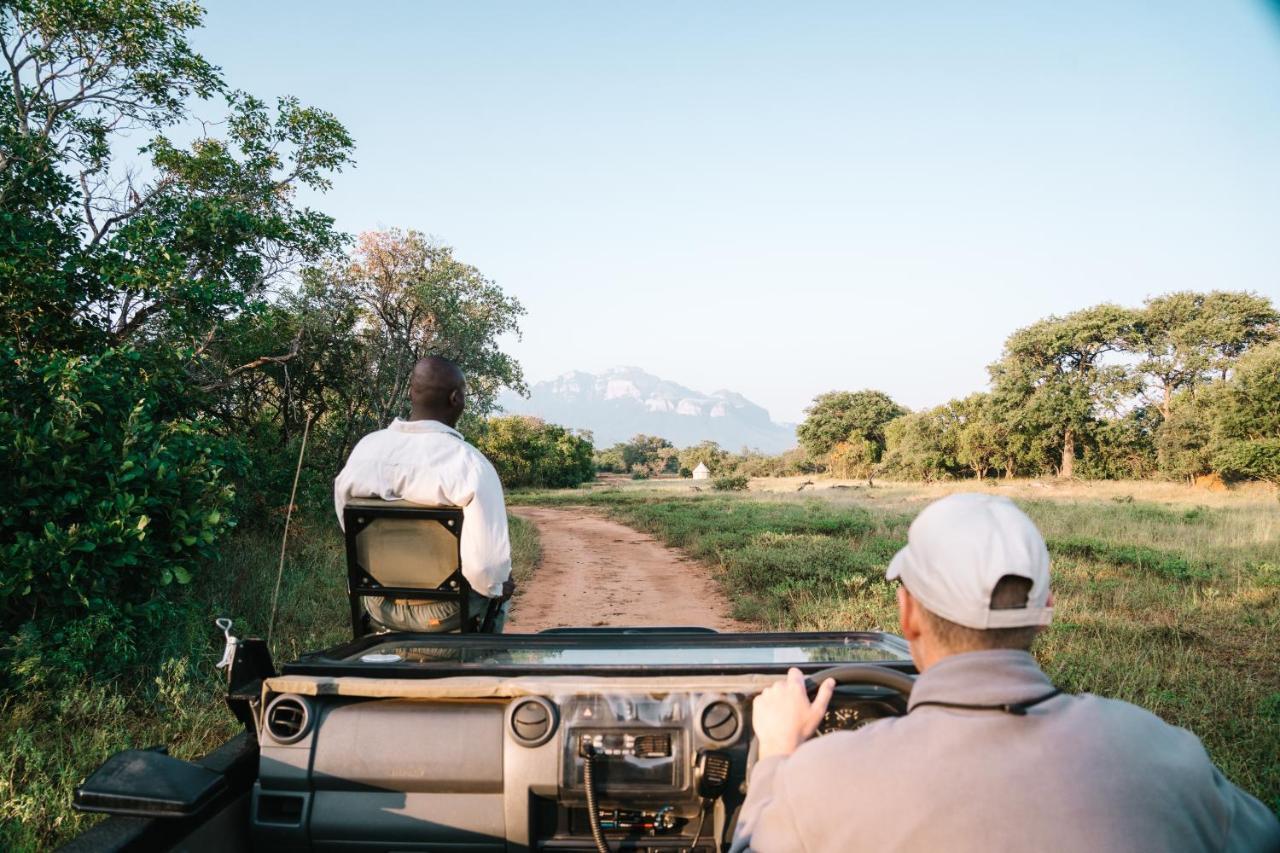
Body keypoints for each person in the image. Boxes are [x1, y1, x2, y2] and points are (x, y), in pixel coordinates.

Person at [733, 493, 1280, 853]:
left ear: (909, 615)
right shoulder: (1168, 755)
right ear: (1046, 611)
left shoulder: (821, 780)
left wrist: (779, 758)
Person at [334, 356, 514, 632]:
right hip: (447, 613)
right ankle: (487, 660)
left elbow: (350, 529)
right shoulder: (470, 464)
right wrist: (499, 585)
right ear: (456, 399)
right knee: (499, 583)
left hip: (378, 605)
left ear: (411, 393)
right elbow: (485, 569)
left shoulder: (365, 451)